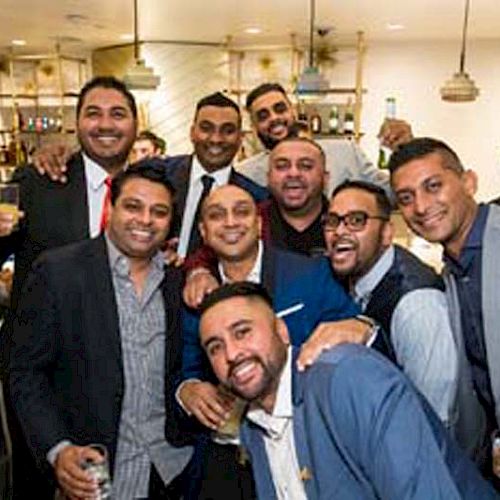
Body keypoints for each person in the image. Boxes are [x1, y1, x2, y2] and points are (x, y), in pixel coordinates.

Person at [198, 282, 499, 500]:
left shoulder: (350, 379)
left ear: (281, 330)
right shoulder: (252, 426)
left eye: (242, 332)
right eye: (215, 347)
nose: (231, 353)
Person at [9, 163, 194, 499]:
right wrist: (58, 448)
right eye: (133, 206)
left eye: (159, 211)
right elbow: (25, 372)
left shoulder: (177, 280)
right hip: (93, 471)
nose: (145, 220)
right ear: (111, 206)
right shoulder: (59, 271)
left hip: (170, 469)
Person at [179, 184, 365, 499]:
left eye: (241, 212)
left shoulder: (310, 274)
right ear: (203, 231)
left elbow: (356, 336)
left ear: (259, 223)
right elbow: (184, 364)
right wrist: (188, 390)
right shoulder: (196, 294)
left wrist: (361, 326)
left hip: (306, 448)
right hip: (226, 456)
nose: (230, 222)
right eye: (216, 215)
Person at [0, 75, 138, 499]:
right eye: (92, 113)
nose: (105, 124)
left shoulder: (148, 191)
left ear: (136, 123)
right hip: (42, 375)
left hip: (118, 376)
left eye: (118, 114)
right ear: (76, 124)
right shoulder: (38, 180)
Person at [389, 137, 499, 478]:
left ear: (468, 182)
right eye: (406, 199)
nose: (421, 207)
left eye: (433, 186)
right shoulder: (455, 268)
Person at [323, 179, 458, 426]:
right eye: (332, 222)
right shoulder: (343, 278)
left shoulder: (418, 305)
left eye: (356, 220)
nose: (340, 232)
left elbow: (432, 421)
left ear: (386, 233)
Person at [235, 82, 412, 196]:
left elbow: (394, 194)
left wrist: (406, 149)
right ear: (254, 127)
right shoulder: (245, 175)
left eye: (280, 109)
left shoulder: (346, 152)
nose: (274, 118)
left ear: (293, 111)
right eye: (263, 115)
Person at [163, 92, 268, 258]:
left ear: (240, 138)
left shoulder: (256, 197)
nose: (216, 139)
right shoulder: (160, 176)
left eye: (227, 131)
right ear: (192, 132)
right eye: (206, 128)